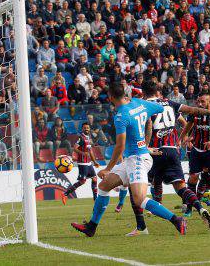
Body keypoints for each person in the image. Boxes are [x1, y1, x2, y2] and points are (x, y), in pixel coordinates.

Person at [71, 82, 187, 237]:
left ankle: (176, 219)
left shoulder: (121, 115)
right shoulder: (139, 103)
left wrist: (108, 168)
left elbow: (120, 146)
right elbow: (160, 108)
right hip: (133, 158)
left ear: (111, 97)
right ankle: (91, 227)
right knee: (104, 186)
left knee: (139, 199)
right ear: (125, 94)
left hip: (138, 159)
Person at [126, 81, 210, 236]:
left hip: (153, 152)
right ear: (157, 91)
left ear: (143, 93)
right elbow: (192, 110)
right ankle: (200, 208)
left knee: (135, 188)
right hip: (172, 151)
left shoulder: (143, 106)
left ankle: (141, 226)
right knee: (181, 187)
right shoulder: (168, 102)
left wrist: (144, 145)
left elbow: (148, 125)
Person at [63, 123, 100, 202]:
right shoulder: (81, 138)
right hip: (82, 163)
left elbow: (90, 152)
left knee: (94, 179)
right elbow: (75, 148)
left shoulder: (89, 138)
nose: (86, 129)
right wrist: (83, 153)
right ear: (82, 129)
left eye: (88, 127)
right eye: (85, 128)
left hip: (89, 163)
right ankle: (65, 194)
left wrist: (94, 162)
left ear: (89, 129)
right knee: (82, 181)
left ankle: (95, 199)